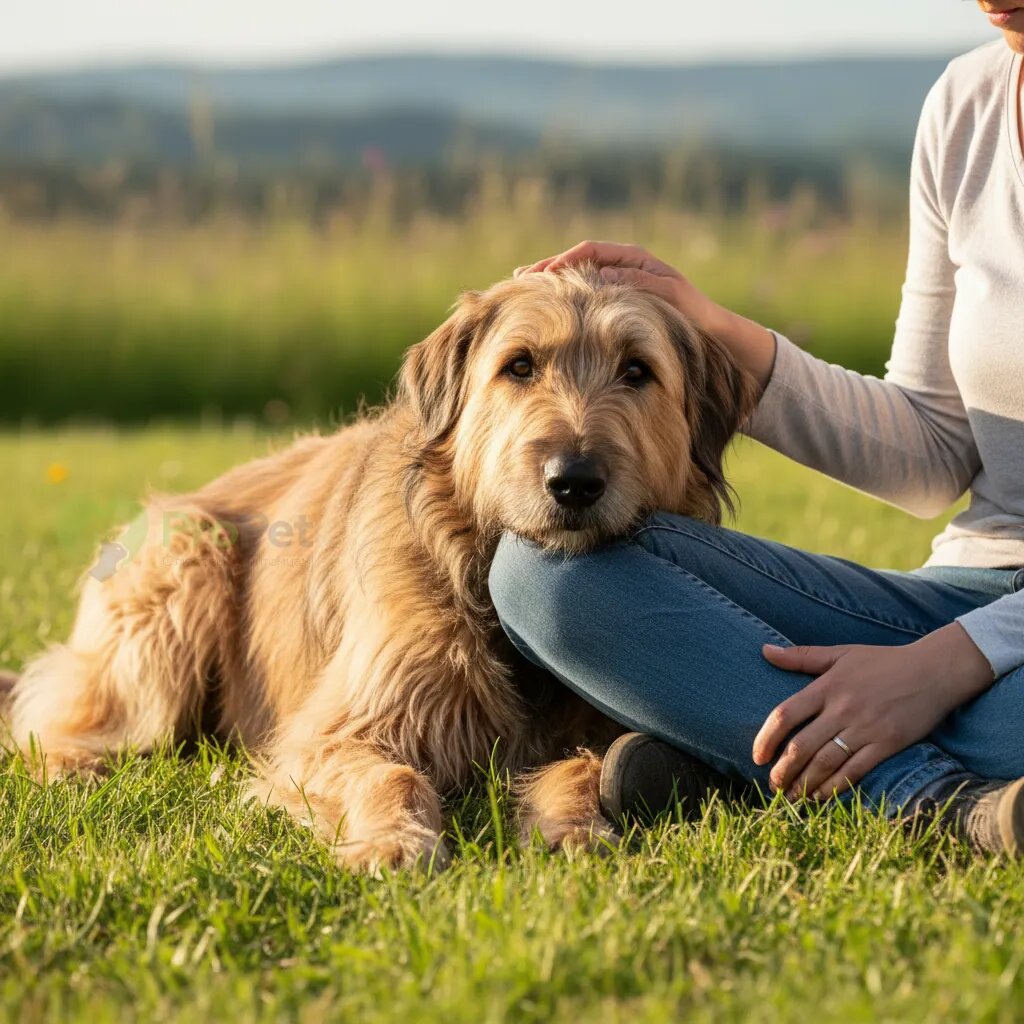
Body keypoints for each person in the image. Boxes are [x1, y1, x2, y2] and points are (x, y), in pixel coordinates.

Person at [487, 4, 1024, 856]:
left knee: (1005, 712)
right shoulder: (968, 104)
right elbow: (931, 451)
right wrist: (713, 329)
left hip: (978, 645)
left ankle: (765, 760)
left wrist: (948, 666)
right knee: (544, 580)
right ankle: (886, 774)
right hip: (961, 593)